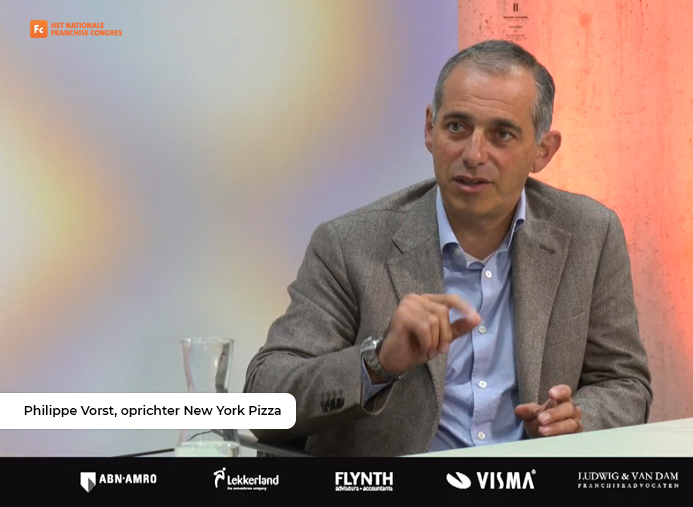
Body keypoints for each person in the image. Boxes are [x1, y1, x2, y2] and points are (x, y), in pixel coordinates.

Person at [244, 39, 652, 456]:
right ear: (429, 128)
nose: (473, 154)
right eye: (457, 127)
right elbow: (262, 401)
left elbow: (625, 384)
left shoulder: (589, 233)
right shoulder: (351, 244)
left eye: (502, 134)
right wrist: (378, 363)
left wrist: (580, 419)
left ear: (542, 151)